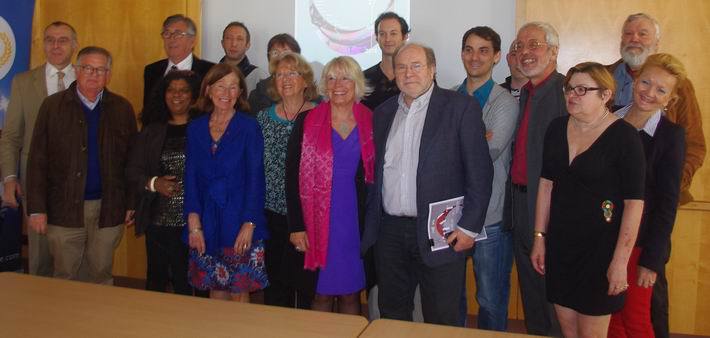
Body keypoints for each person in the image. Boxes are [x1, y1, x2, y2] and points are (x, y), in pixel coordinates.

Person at [361, 43, 493, 326]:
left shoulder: (460, 108)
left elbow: (480, 173)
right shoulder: (383, 114)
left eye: (416, 66)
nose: (408, 73)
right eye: (401, 67)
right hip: (390, 232)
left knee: (441, 316)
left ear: (432, 70)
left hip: (441, 230)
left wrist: (469, 227)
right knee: (392, 313)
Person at [530, 62, 645, 337]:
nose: (572, 95)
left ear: (605, 95)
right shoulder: (557, 129)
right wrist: (539, 237)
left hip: (601, 251)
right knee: (568, 331)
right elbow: (545, 186)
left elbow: (634, 204)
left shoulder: (624, 137)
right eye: (569, 88)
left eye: (582, 89)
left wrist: (620, 262)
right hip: (560, 246)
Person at [26, 46, 137, 285]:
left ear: (108, 74)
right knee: (65, 276)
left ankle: (97, 323)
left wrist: (131, 202)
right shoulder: (52, 106)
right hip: (63, 209)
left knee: (100, 274)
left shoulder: (122, 108)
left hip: (108, 209)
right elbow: (37, 160)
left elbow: (131, 162)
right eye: (87, 68)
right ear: (76, 70)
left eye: (100, 69)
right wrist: (36, 208)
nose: (93, 74)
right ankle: (64, 323)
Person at [286, 56, 374, 315]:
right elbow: (291, 177)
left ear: (356, 82)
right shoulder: (307, 121)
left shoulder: (372, 121)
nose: (338, 84)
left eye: (345, 77)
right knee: (321, 294)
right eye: (331, 77)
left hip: (355, 222)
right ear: (324, 83)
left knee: (350, 295)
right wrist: (296, 227)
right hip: (317, 222)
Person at [608, 53, 687, 338]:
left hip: (638, 246)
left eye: (661, 90)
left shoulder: (671, 136)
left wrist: (651, 261)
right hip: (602, 239)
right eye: (646, 82)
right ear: (635, 79)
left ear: (670, 99)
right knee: (611, 320)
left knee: (636, 319)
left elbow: (667, 205)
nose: (650, 93)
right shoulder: (608, 118)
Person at [184, 64, 268, 302]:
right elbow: (190, 177)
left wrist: (249, 223)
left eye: (234, 87)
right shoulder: (196, 128)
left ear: (240, 92)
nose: (227, 92)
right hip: (206, 218)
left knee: (239, 291)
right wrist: (194, 223)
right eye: (221, 86)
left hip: (240, 217)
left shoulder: (249, 127)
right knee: (214, 286)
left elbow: (255, 178)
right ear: (208, 90)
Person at [0, 21, 78, 277]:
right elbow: (11, 135)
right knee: (40, 257)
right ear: (42, 44)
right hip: (35, 180)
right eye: (50, 39)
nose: (55, 45)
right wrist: (10, 178)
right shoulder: (23, 82)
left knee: (75, 257)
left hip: (78, 182)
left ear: (74, 45)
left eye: (63, 40)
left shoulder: (88, 77)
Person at [455, 26, 518, 331]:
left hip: (489, 217)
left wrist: (458, 144)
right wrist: (477, 136)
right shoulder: (448, 97)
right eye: (469, 49)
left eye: (483, 50)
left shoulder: (505, 102)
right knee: (452, 295)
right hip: (451, 214)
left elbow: (487, 155)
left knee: (490, 298)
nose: (474, 56)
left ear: (496, 57)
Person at [607, 13, 704, 208]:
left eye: (643, 34)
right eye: (628, 33)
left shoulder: (681, 86)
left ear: (657, 42)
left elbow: (695, 145)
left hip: (654, 202)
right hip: (607, 194)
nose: (634, 39)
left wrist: (670, 183)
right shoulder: (603, 78)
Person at [508, 21, 566, 336]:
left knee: (552, 296)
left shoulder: (565, 93)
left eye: (534, 45)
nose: (525, 52)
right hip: (520, 207)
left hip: (548, 211)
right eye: (520, 46)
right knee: (531, 293)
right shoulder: (527, 92)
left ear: (554, 51)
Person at [126, 70, 202, 295]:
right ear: (163, 94)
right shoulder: (152, 130)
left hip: (195, 222)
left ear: (193, 96)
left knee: (188, 284)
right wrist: (154, 183)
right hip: (158, 221)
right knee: (156, 282)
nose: (177, 95)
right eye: (171, 90)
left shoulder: (204, 128)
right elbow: (132, 170)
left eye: (184, 90)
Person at [257, 52, 318, 308]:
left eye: (292, 73)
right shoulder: (262, 119)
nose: (286, 79)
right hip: (272, 216)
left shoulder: (320, 117)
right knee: (276, 287)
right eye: (280, 74)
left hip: (309, 216)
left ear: (306, 81)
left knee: (307, 288)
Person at [143, 14, 214, 111]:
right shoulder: (152, 70)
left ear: (192, 41)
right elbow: (148, 111)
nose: (171, 39)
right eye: (167, 34)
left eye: (178, 34)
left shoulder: (210, 71)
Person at [361, 12, 409, 110]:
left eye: (393, 33)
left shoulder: (416, 76)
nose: (387, 39)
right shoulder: (363, 78)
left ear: (404, 37)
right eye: (382, 34)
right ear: (377, 38)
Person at [248, 34, 302, 114]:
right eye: (275, 53)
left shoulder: (306, 87)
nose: (280, 57)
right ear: (268, 58)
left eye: (286, 52)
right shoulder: (258, 93)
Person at [219, 21, 268, 93]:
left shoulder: (258, 76)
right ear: (222, 43)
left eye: (239, 39)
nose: (234, 44)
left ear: (247, 45)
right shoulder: (211, 73)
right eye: (229, 38)